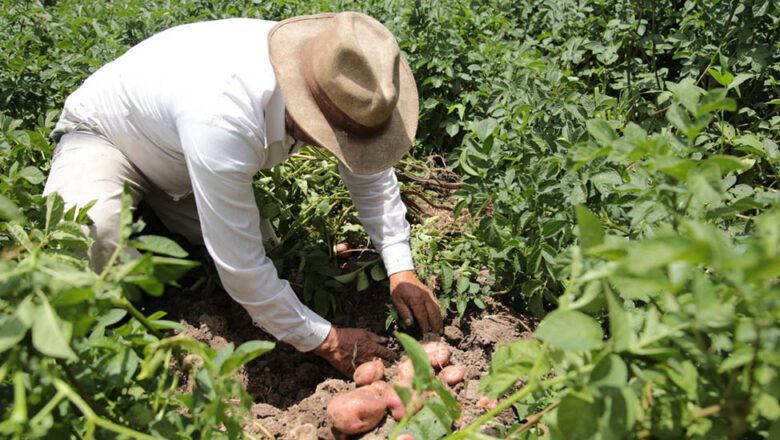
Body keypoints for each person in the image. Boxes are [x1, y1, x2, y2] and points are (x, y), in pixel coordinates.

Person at [43, 12, 443, 376]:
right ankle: (92, 357)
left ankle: (156, 218)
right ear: (306, 109)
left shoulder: (342, 77)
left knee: (269, 251)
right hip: (107, 138)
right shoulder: (224, 112)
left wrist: (400, 267)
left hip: (185, 158)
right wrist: (326, 340)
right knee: (91, 233)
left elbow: (367, 169)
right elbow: (242, 268)